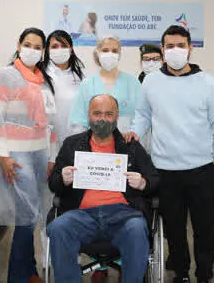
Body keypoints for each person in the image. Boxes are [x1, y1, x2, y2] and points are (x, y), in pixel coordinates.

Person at [127, 25, 214, 283]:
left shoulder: (207, 82)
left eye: (181, 45)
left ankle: (204, 275)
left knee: (205, 230)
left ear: (190, 48)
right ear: (162, 50)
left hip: (204, 169)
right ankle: (181, 275)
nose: (175, 51)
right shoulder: (151, 81)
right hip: (165, 171)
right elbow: (143, 115)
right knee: (174, 230)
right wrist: (134, 134)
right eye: (170, 46)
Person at [47, 94, 159, 283]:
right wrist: (63, 179)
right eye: (97, 113)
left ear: (117, 116)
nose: (102, 119)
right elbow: (53, 183)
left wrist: (143, 183)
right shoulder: (71, 145)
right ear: (88, 115)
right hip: (81, 215)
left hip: (124, 216)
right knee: (59, 227)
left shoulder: (131, 146)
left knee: (137, 228)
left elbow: (155, 179)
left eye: (109, 114)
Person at [0, 27, 58, 283]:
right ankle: (17, 276)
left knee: (33, 212)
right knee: (27, 214)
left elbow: (50, 122)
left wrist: (51, 156)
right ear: (19, 45)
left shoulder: (43, 79)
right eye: (28, 44)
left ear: (43, 52)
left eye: (38, 47)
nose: (33, 50)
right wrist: (3, 155)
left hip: (40, 154)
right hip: (17, 156)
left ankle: (29, 270)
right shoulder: (6, 75)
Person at [69, 35, 141, 134]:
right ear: (97, 53)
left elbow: (141, 117)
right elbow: (78, 120)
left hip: (126, 143)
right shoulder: (87, 84)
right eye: (105, 50)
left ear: (119, 54)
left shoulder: (133, 83)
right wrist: (83, 145)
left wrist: (134, 135)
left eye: (114, 51)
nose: (110, 54)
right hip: (94, 144)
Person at [43, 30, 86, 148]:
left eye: (64, 46)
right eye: (54, 46)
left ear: (71, 49)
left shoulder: (80, 76)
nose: (59, 49)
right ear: (47, 50)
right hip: (49, 143)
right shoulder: (41, 75)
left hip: (76, 139)